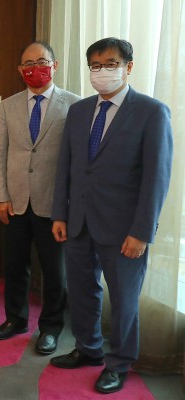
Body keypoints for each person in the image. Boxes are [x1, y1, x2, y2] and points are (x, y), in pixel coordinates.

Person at [50, 38, 172, 394]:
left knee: (123, 300)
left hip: (125, 230)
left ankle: (119, 364)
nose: (103, 72)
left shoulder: (151, 112)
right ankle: (88, 350)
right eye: (96, 66)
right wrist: (60, 213)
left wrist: (142, 231)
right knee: (83, 290)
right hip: (79, 222)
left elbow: (156, 178)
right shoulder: (79, 110)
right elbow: (67, 168)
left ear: (129, 66)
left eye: (111, 63)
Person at [0, 42, 80, 355]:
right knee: (15, 266)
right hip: (14, 202)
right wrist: (0, 196)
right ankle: (15, 319)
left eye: (41, 61)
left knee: (55, 271)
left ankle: (51, 328)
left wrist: (68, 206)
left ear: (55, 65)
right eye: (27, 63)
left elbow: (77, 161)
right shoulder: (8, 106)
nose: (34, 67)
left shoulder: (74, 105)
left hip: (53, 205)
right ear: (19, 70)